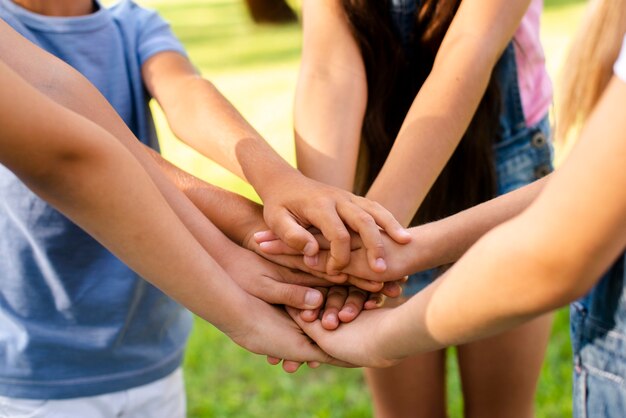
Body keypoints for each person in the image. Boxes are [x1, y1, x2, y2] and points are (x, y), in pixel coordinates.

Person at [0, 1, 405, 413]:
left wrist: (278, 180)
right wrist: (238, 247)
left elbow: (186, 94)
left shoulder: (131, 22)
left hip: (148, 352)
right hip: (33, 369)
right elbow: (85, 156)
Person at [285, 1, 626, 416]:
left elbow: (469, 47)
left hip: (500, 172)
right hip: (378, 175)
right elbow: (329, 65)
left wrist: (365, 238)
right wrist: (333, 233)